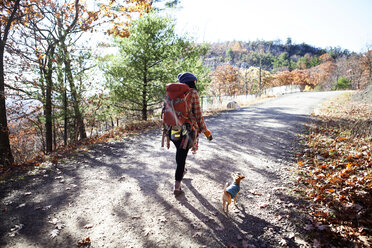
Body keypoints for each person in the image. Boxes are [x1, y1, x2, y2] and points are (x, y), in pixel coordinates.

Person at [169, 72, 213, 195]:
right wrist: (206, 132)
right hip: (186, 131)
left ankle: (181, 172)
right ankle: (177, 186)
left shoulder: (173, 93)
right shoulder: (193, 93)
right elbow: (198, 116)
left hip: (172, 129)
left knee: (180, 153)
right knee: (181, 156)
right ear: (192, 82)